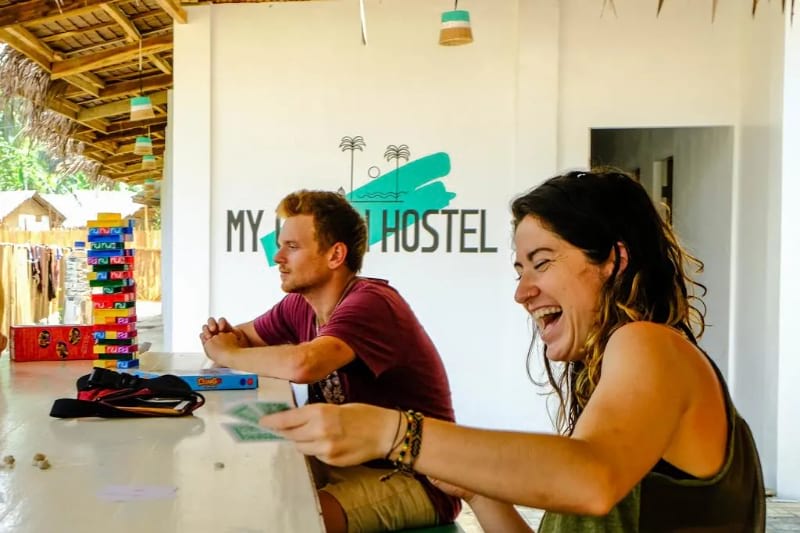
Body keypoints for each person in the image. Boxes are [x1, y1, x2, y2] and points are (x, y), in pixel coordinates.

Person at [258, 170, 766, 532]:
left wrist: (396, 433)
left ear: (614, 259)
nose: (522, 292)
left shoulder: (650, 344)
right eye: (519, 270)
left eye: (541, 263)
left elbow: (590, 477)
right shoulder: (615, 380)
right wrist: (478, 489)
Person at [200, 189, 460, 533]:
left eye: (292, 247)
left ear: (336, 254)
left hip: (417, 477)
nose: (277, 256)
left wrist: (226, 353)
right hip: (340, 458)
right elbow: (240, 336)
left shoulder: (372, 303)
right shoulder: (300, 305)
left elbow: (303, 365)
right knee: (239, 483)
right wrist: (226, 343)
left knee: (288, 521)